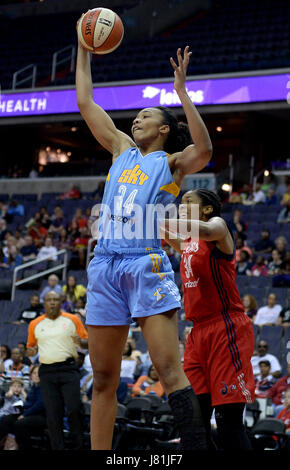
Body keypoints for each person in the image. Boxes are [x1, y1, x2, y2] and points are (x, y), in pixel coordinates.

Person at [76, 26, 212, 451]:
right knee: (102, 377)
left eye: (148, 116)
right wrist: (84, 50)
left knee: (170, 370)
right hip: (105, 264)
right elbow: (85, 102)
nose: (137, 119)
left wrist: (182, 94)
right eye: (137, 116)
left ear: (166, 129)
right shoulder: (120, 148)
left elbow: (204, 150)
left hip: (145, 262)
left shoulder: (171, 163)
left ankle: (195, 447)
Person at [161, 189, 255, 450]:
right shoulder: (190, 240)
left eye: (189, 202)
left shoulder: (218, 227)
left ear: (207, 210)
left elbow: (205, 230)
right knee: (194, 422)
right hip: (197, 332)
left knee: (228, 423)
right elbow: (177, 241)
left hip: (226, 326)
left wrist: (158, 220)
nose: (182, 205)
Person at [26, 291, 88, 450]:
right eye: (49, 300)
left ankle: (79, 446)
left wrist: (81, 342)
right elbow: (30, 347)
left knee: (74, 409)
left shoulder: (73, 319)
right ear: (44, 303)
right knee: (53, 414)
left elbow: (86, 342)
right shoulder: (35, 324)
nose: (52, 302)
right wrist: (31, 352)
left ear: (61, 302)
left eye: (55, 300)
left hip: (68, 369)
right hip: (46, 371)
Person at [0, 366, 46, 451]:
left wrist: (24, 414)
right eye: (34, 373)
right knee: (6, 419)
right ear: (31, 375)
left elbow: (40, 405)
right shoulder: (33, 387)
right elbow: (27, 403)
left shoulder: (43, 387)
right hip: (29, 413)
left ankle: (25, 447)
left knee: (19, 423)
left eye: (39, 373)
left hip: (40, 416)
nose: (36, 375)